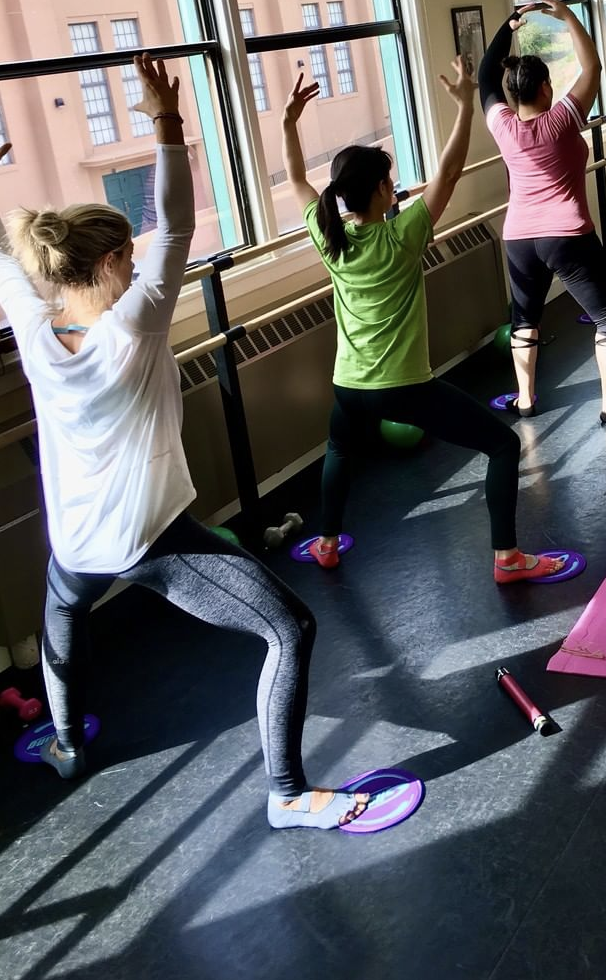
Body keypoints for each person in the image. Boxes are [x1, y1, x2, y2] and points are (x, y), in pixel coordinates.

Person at [0, 56, 365, 830]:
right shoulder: (133, 325)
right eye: (126, 259)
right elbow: (179, 221)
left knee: (63, 623)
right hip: (150, 538)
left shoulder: (35, 329)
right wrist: (164, 117)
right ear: (106, 265)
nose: (137, 263)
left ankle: (65, 744)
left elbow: (5, 259)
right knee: (290, 628)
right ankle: (289, 793)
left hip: (75, 542)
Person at [281, 59, 569, 581]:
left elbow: (298, 179)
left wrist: (287, 126)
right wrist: (464, 106)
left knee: (339, 449)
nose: (394, 187)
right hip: (405, 388)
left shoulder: (330, 237)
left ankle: (326, 541)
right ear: (377, 192)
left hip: (349, 384)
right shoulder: (402, 234)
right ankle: (508, 558)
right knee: (502, 445)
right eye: (388, 181)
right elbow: (450, 172)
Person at [479, 0, 606, 423]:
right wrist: (569, 17)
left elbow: (485, 75)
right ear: (543, 88)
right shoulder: (561, 121)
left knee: (525, 319)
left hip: (518, 236)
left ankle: (524, 400)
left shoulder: (501, 124)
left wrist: (509, 22)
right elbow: (591, 66)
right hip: (567, 234)